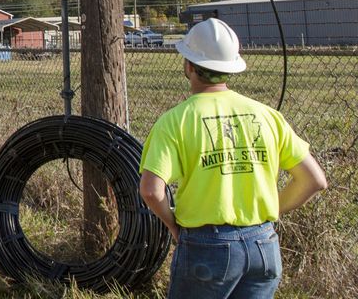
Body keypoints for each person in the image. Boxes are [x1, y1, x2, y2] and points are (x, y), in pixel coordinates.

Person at [138, 18, 328, 298]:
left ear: (188, 66)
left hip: (206, 247)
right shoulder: (267, 116)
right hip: (263, 245)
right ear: (230, 68)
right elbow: (315, 180)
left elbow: (151, 191)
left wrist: (174, 227)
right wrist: (270, 214)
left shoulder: (175, 121)